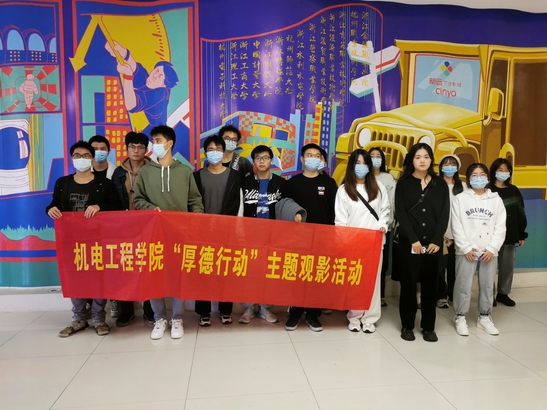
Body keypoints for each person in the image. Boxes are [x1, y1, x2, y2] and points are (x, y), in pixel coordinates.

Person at [133, 125, 204, 339]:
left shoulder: (185, 171)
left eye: (158, 140)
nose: (154, 144)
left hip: (180, 233)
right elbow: (138, 199)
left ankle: (177, 318)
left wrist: (197, 221)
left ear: (169, 143)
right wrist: (150, 209)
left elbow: (195, 200)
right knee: (154, 274)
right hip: (153, 233)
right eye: (153, 141)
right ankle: (159, 319)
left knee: (178, 276)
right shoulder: (145, 172)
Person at [46, 141, 121, 337]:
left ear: (92, 158)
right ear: (72, 159)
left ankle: (99, 319)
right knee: (75, 277)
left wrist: (99, 207)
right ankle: (78, 318)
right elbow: (54, 204)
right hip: (71, 240)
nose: (82, 159)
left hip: (97, 240)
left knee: (98, 278)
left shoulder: (104, 183)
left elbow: (117, 207)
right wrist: (50, 209)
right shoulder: (63, 183)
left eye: (86, 156)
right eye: (77, 156)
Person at [395, 143, 449, 342]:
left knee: (430, 286)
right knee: (408, 285)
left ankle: (428, 327)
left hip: (432, 244)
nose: (422, 160)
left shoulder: (440, 184)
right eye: (418, 157)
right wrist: (413, 239)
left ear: (431, 160)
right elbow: (401, 213)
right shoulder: (403, 183)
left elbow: (444, 213)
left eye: (426, 156)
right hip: (409, 243)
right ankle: (407, 325)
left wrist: (437, 240)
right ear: (412, 160)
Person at [284, 143, 338, 332]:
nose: (313, 158)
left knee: (317, 276)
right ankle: (295, 312)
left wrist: (333, 235)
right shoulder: (292, 183)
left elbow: (334, 211)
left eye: (317, 155)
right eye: (309, 155)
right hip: (297, 238)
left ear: (321, 160)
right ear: (302, 159)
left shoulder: (329, 183)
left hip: (322, 238)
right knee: (297, 276)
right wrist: (294, 214)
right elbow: (284, 205)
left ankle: (313, 314)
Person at [335, 149, 390, 333]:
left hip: (374, 242)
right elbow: (340, 219)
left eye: (365, 163)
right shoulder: (344, 190)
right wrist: (344, 240)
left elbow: (385, 211)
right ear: (351, 165)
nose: (361, 166)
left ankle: (370, 319)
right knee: (355, 280)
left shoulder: (379, 187)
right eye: (357, 163)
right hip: (353, 243)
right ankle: (354, 317)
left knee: (373, 281)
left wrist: (382, 225)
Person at [193, 135, 243, 326]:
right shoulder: (196, 176)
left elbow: (237, 204)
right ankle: (203, 312)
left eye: (218, 149)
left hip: (226, 232)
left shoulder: (234, 177)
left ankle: (225, 310)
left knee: (225, 272)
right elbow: (193, 203)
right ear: (205, 153)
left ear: (224, 152)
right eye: (210, 149)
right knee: (203, 272)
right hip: (202, 233)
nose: (215, 152)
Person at [452, 163, 506, 336]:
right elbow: (456, 225)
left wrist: (492, 248)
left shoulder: (496, 200)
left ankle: (485, 316)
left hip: (489, 251)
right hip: (467, 250)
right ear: (468, 178)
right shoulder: (461, 199)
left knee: (488, 285)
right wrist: (466, 248)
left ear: (488, 178)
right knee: (463, 284)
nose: (478, 178)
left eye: (482, 174)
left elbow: (500, 227)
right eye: (474, 175)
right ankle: (460, 316)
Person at [111, 131, 155, 326]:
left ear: (146, 150)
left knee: (148, 267)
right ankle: (126, 311)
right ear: (127, 148)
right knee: (124, 267)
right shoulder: (118, 173)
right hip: (123, 226)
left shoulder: (153, 170)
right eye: (132, 147)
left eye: (140, 147)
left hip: (147, 225)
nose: (136, 150)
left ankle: (150, 310)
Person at [239, 145, 287, 324]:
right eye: (258, 158)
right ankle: (249, 308)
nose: (261, 161)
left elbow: (286, 206)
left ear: (271, 160)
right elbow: (239, 208)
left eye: (265, 158)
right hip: (250, 235)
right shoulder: (245, 182)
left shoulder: (281, 183)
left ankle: (265, 308)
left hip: (273, 235)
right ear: (253, 161)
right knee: (249, 272)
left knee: (269, 273)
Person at [104, 41, 179, 128]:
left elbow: (131, 105)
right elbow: (137, 71)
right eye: (157, 70)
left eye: (160, 76)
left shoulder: (159, 96)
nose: (155, 75)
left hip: (156, 131)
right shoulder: (152, 83)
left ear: (164, 85)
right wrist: (124, 53)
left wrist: (128, 76)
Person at [489, 158, 528, 307]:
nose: (504, 173)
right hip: (490, 235)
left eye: (506, 170)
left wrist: (521, 234)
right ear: (494, 172)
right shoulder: (487, 190)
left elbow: (521, 213)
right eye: (500, 170)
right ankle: (489, 295)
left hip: (510, 234)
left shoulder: (514, 190)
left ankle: (503, 294)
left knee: (507, 266)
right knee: (488, 267)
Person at [436, 154, 467, 309]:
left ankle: (454, 294)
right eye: (446, 163)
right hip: (441, 233)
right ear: (441, 167)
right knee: (440, 266)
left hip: (459, 233)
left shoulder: (464, 187)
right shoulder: (435, 184)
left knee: (455, 266)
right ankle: (441, 296)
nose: (449, 166)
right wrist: (439, 232)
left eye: (453, 164)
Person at [369, 147, 396, 307]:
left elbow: (392, 202)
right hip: (365, 227)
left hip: (384, 227)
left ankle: (380, 295)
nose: (375, 158)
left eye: (378, 156)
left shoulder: (388, 178)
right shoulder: (363, 177)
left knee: (382, 262)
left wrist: (388, 222)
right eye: (371, 156)